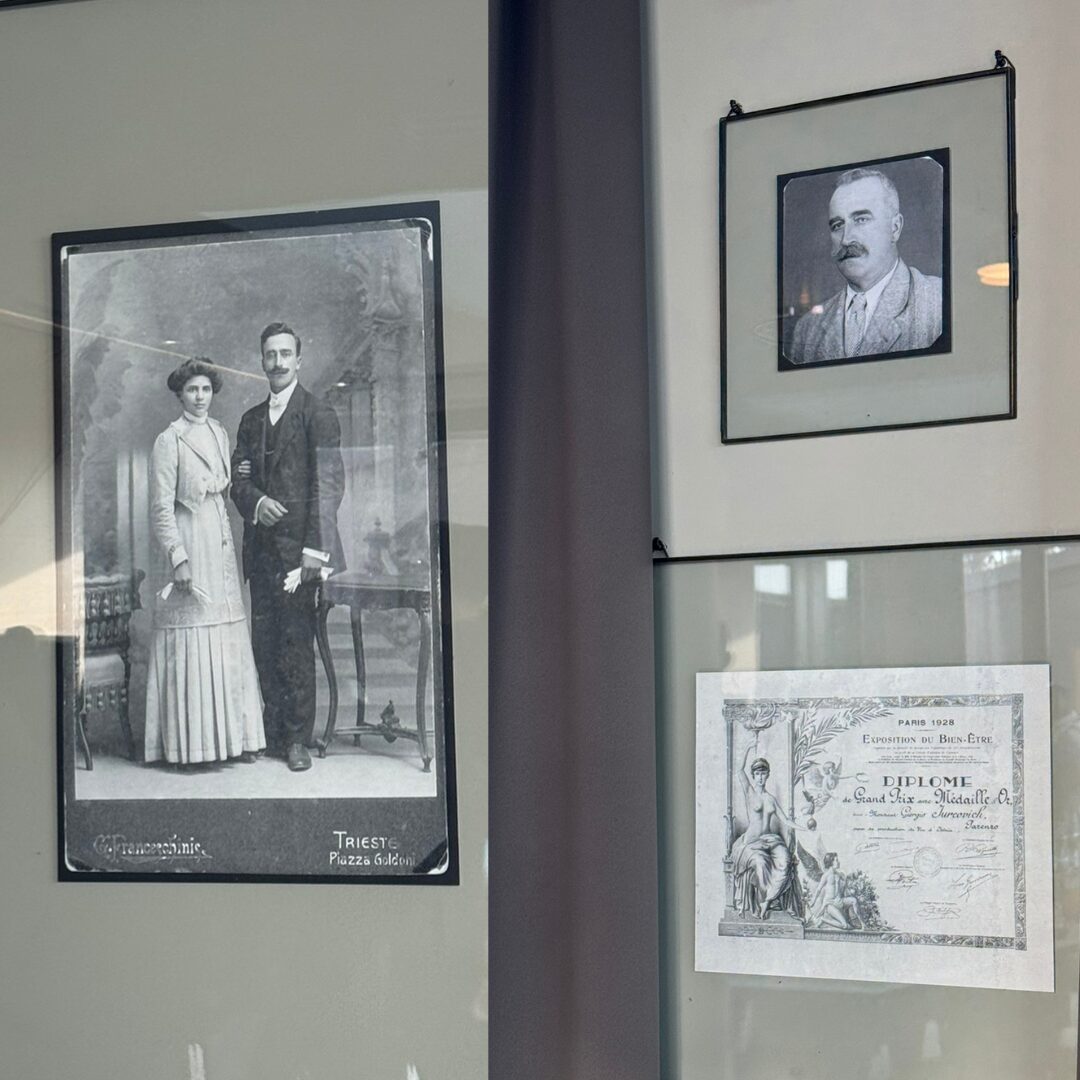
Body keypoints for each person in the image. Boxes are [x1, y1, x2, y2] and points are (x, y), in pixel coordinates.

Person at [230, 322, 346, 772]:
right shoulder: (250, 420)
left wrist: (315, 550)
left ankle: (297, 738)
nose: (277, 362)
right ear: (262, 361)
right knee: (264, 643)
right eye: (270, 355)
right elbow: (238, 482)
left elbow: (329, 486)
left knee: (296, 643)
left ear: (299, 360)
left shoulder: (318, 414)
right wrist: (257, 503)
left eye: (284, 354)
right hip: (261, 551)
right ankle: (274, 730)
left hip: (300, 554)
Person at [144, 359, 265, 766]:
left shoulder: (218, 431)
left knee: (226, 628)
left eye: (206, 389)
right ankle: (194, 747)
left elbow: (225, 481)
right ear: (180, 394)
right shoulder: (169, 439)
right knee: (194, 631)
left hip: (220, 536)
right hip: (191, 539)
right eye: (192, 390)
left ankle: (233, 740)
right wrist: (178, 558)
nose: (200, 397)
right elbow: (161, 509)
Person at [788, 167, 943, 365]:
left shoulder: (939, 302)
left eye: (861, 219)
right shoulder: (808, 328)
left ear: (895, 228)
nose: (846, 239)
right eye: (837, 225)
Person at [730, 744, 804, 920]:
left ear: (767, 775)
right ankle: (763, 901)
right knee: (761, 863)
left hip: (771, 840)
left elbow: (785, 820)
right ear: (753, 775)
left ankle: (768, 900)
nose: (760, 777)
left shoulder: (771, 799)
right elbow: (739, 770)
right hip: (752, 843)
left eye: (763, 774)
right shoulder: (749, 792)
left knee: (785, 862)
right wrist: (748, 747)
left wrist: (803, 828)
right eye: (757, 774)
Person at [806, 853, 864, 930]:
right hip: (830, 904)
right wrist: (813, 901)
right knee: (845, 926)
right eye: (836, 860)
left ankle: (861, 922)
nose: (838, 862)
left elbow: (848, 878)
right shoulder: (826, 875)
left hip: (839, 901)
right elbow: (818, 889)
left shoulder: (839, 874)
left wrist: (855, 875)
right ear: (831, 862)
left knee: (854, 900)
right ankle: (824, 920)